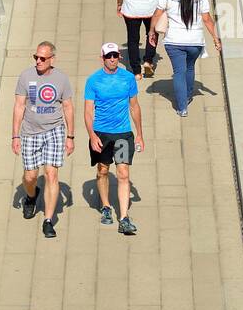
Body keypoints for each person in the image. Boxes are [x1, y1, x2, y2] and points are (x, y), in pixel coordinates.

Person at [12, 42, 74, 240]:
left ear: (52, 59)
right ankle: (31, 195)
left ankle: (48, 220)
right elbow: (19, 106)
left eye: (42, 58)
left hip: (54, 131)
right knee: (30, 176)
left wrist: (70, 136)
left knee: (51, 174)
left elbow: (68, 107)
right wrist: (15, 135)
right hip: (30, 132)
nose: (38, 61)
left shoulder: (61, 79)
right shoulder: (26, 76)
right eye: (36, 57)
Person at [84, 42, 144, 234]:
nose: (112, 59)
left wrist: (139, 135)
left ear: (119, 57)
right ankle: (106, 206)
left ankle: (124, 218)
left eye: (115, 56)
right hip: (101, 134)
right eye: (108, 56)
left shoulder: (128, 78)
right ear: (102, 58)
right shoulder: (93, 81)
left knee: (123, 173)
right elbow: (88, 111)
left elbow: (134, 106)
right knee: (103, 170)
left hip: (123, 134)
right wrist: (92, 135)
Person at [150, 0, 221, 116]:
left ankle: (182, 107)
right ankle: (188, 95)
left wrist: (151, 32)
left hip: (173, 42)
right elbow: (207, 20)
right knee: (189, 67)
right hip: (195, 42)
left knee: (179, 72)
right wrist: (216, 39)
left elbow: (157, 14)